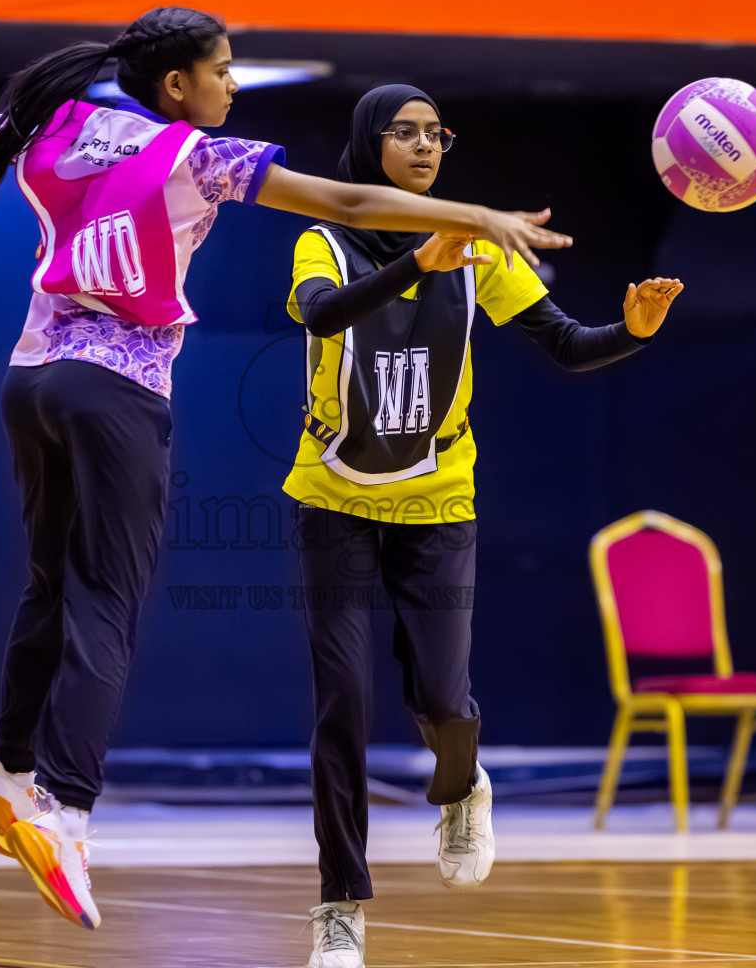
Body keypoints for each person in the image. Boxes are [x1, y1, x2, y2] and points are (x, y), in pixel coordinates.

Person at [0, 8, 572, 931]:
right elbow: (345, 203)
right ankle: (65, 810)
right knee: (109, 596)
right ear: (178, 86)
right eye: (222, 71)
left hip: (30, 378)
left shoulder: (62, 120)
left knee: (47, 582)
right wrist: (471, 214)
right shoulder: (196, 155)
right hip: (116, 391)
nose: (232, 84)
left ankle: (5, 769)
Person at [283, 84, 680, 968]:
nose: (427, 147)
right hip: (333, 496)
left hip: (437, 499)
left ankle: (463, 789)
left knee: (439, 697)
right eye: (407, 133)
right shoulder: (325, 240)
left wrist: (635, 331)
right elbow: (318, 315)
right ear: (368, 143)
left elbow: (568, 343)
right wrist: (417, 262)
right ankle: (339, 907)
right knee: (342, 708)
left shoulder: (477, 250)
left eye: (438, 134)